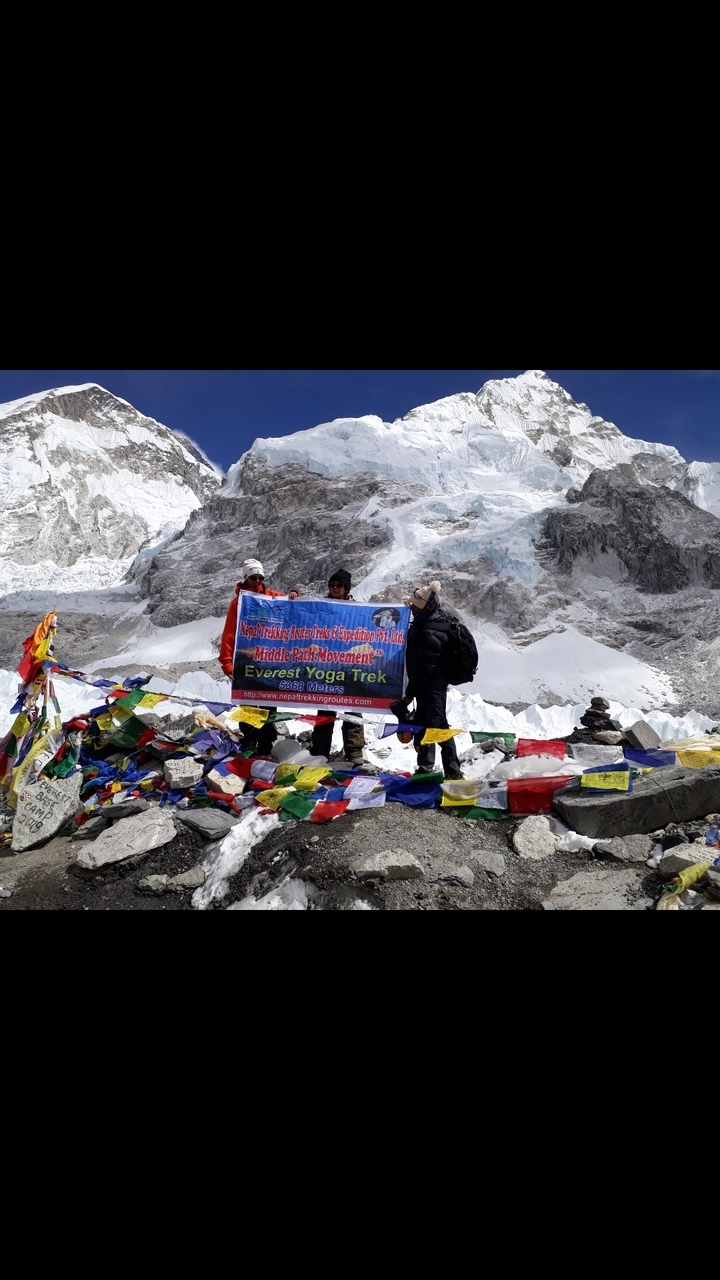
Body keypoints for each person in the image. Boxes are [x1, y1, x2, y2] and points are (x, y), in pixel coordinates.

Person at [398, 580, 464, 780]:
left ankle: (453, 772)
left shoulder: (431, 632)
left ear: (425, 607)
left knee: (439, 727)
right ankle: (425, 767)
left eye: (415, 607)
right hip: (426, 687)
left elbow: (423, 669)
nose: (413, 610)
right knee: (423, 724)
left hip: (432, 687)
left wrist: (409, 694)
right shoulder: (425, 624)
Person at [219, 559, 284, 757]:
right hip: (245, 662)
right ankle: (249, 743)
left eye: (259, 577)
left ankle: (266, 745)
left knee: (268, 706)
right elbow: (229, 633)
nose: (256, 581)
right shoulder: (238, 603)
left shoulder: (273, 597)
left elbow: (292, 607)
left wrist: (295, 596)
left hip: (269, 662)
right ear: (245, 579)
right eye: (252, 577)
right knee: (247, 705)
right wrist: (227, 663)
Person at [308, 569, 366, 765]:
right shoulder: (322, 608)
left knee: (353, 709)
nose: (334, 588)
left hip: (350, 666)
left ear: (346, 588)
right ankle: (319, 752)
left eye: (338, 585)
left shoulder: (358, 610)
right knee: (325, 711)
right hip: (326, 666)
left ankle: (355, 752)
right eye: (332, 585)